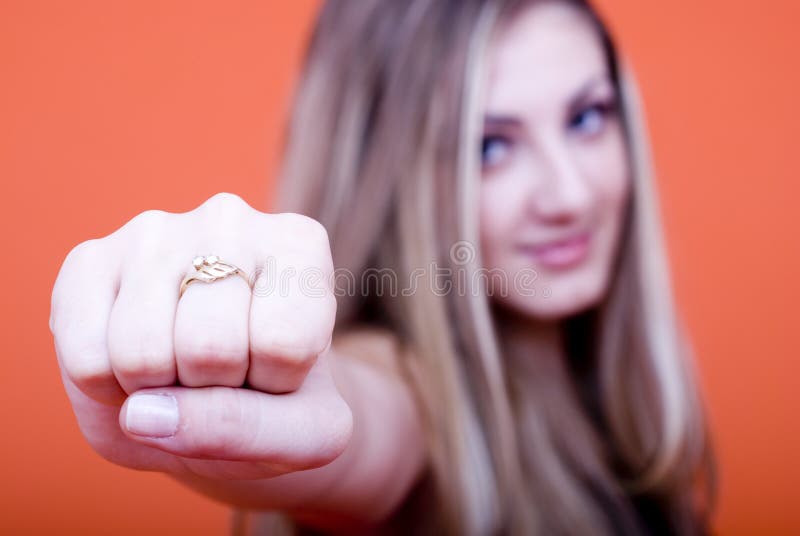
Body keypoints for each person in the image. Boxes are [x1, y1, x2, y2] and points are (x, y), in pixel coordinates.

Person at [49, 0, 718, 534]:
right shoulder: (411, 399)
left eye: (586, 118)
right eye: (488, 148)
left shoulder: (615, 393)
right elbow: (351, 422)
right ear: (388, 180)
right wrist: (223, 355)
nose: (570, 195)